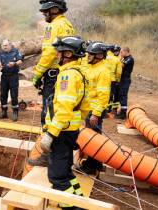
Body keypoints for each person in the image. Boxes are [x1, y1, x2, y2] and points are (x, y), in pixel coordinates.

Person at [40, 36, 88, 210]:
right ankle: (78, 200)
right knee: (66, 171)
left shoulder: (68, 75)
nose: (56, 56)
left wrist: (51, 134)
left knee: (57, 176)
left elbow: (64, 108)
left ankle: (69, 207)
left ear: (68, 53)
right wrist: (74, 125)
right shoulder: (80, 73)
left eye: (59, 52)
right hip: (70, 130)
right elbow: (85, 106)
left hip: (61, 132)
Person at [32, 0, 75, 126]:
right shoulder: (68, 24)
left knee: (49, 109)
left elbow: (49, 53)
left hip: (52, 75)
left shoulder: (53, 26)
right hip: (64, 72)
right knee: (60, 107)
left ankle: (46, 138)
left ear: (55, 10)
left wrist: (37, 73)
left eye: (46, 11)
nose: (44, 14)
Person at [79, 42, 111, 175]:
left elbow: (104, 96)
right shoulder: (93, 67)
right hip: (89, 109)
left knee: (93, 139)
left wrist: (96, 114)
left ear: (98, 55)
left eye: (90, 54)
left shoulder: (103, 71)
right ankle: (95, 163)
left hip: (94, 110)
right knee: (94, 137)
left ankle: (92, 166)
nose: (88, 56)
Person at [0, 39, 23, 121]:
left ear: (10, 45)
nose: (4, 47)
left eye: (6, 45)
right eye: (3, 45)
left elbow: (20, 61)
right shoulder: (1, 52)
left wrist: (14, 63)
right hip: (4, 76)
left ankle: (15, 113)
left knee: (14, 95)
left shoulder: (15, 51)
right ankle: (4, 112)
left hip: (13, 76)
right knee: (3, 94)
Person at [116, 47, 134, 119]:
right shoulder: (124, 58)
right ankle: (121, 111)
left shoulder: (130, 58)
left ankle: (123, 114)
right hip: (122, 79)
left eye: (121, 52)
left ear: (126, 51)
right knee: (120, 95)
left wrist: (119, 59)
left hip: (126, 80)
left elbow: (121, 66)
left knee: (123, 95)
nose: (120, 54)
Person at [106, 44, 122, 114]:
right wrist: (118, 80)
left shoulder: (105, 57)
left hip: (104, 78)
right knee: (111, 94)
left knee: (104, 93)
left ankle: (104, 108)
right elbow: (119, 72)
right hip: (112, 80)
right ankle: (108, 109)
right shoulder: (117, 60)